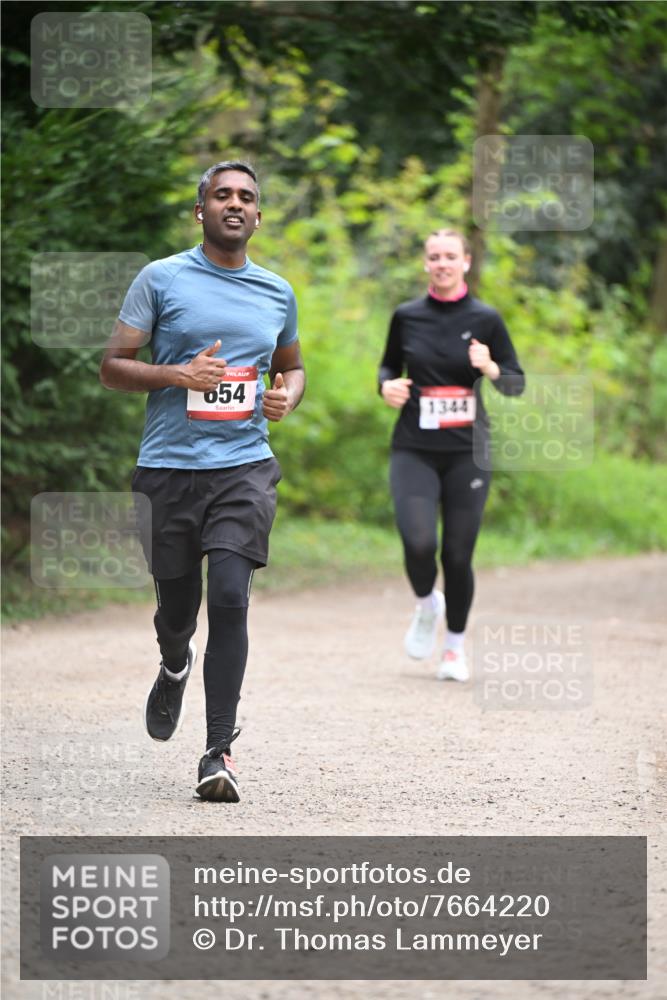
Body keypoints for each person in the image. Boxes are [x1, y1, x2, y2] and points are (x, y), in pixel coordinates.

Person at [100, 160, 305, 801]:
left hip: (244, 466)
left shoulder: (277, 291)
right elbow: (112, 367)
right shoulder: (161, 279)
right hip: (168, 470)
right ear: (201, 210)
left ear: (258, 215)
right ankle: (173, 662)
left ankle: (218, 753)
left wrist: (286, 397)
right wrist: (178, 376)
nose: (234, 204)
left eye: (246, 197)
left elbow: (292, 368)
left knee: (232, 596)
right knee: (177, 610)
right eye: (222, 195)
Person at [378, 228, 524, 681]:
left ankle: (454, 649)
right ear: (426, 263)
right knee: (419, 542)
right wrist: (386, 385)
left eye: (450, 256)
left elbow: (515, 383)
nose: (441, 263)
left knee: (458, 556)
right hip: (414, 449)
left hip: (468, 453)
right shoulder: (407, 315)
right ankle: (426, 605)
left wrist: (490, 367)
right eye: (434, 256)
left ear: (465, 263)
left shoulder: (486, 318)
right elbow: (387, 365)